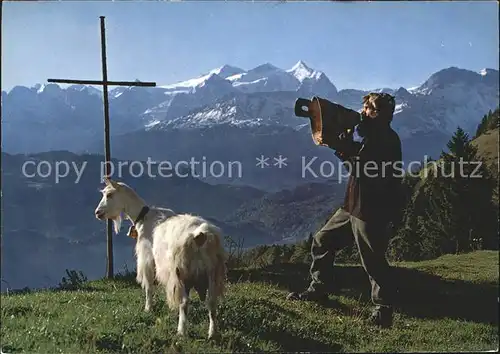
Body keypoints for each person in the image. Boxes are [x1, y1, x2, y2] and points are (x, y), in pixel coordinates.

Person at [287, 92, 403, 329]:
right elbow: (358, 158)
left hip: (371, 209)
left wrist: (341, 149)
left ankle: (383, 310)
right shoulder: (372, 135)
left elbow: (364, 169)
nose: (363, 112)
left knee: (373, 260)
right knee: (322, 241)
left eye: (368, 108)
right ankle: (319, 288)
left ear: (379, 113)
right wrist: (344, 145)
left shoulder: (386, 140)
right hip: (352, 205)